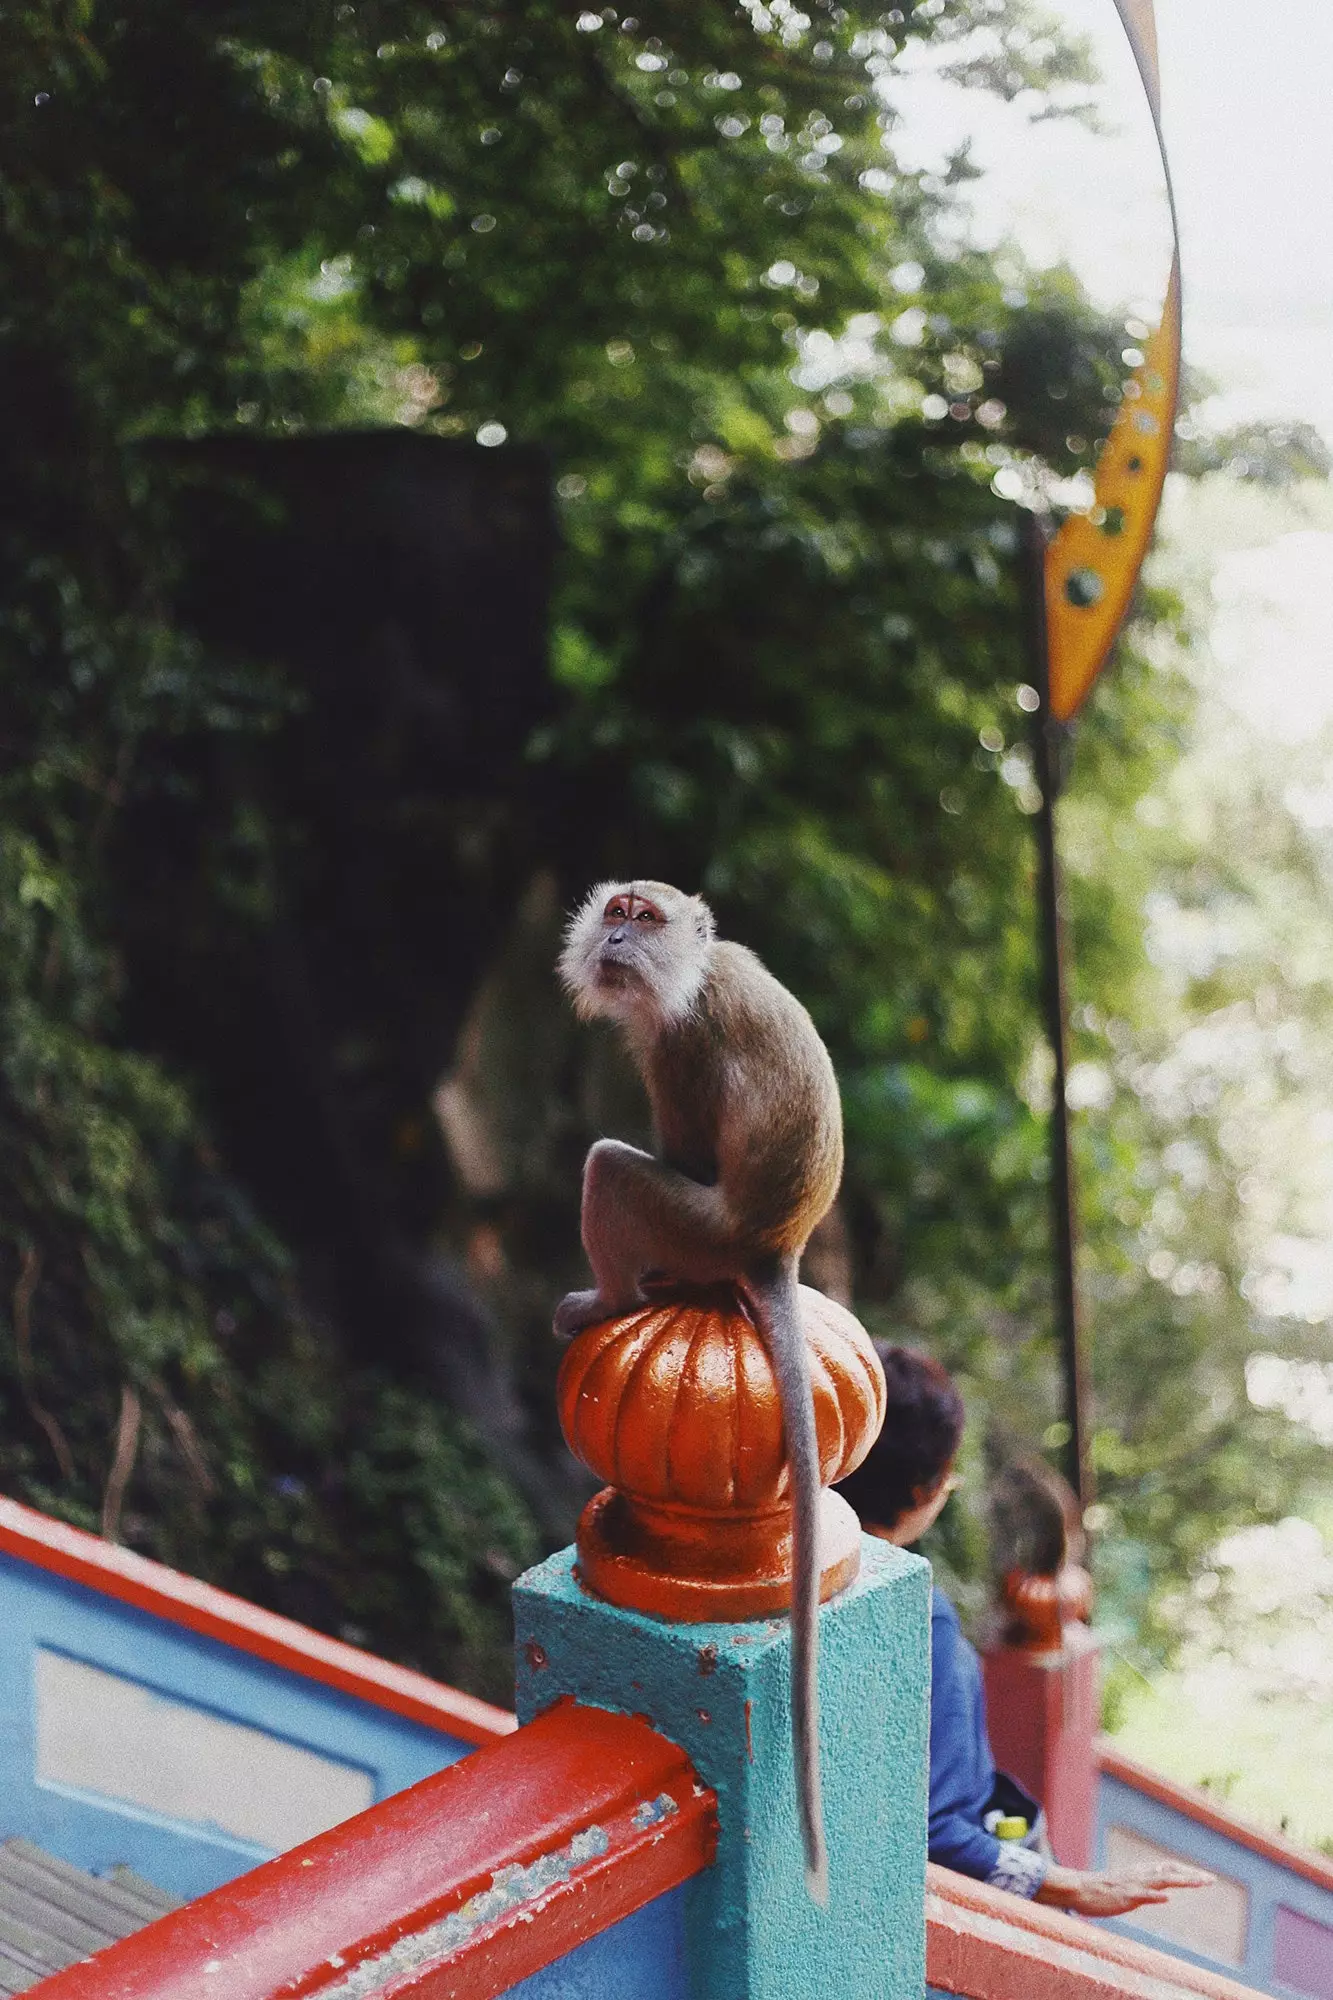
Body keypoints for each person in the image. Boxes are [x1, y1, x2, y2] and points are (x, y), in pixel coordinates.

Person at [837, 1345, 1212, 1917]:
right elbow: (934, 1828)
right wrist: (1064, 1885)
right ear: (925, 1491)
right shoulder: (919, 1620)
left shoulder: (787, 1569)